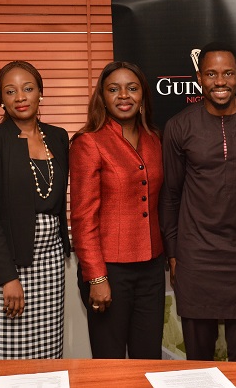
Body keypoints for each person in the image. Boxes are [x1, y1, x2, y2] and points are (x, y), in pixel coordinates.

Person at [159, 42, 236, 361]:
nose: (220, 81)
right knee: (198, 361)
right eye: (211, 74)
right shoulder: (179, 126)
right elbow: (170, 195)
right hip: (197, 254)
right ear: (199, 78)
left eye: (227, 73)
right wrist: (173, 253)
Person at [0, 61, 71, 359]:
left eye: (28, 88)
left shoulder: (58, 136)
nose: (20, 97)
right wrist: (7, 277)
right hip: (10, 263)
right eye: (10, 91)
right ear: (0, 99)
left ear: (41, 92)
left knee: (49, 353)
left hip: (50, 261)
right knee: (8, 358)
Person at [70, 61, 165, 359]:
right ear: (102, 97)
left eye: (132, 88)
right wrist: (96, 278)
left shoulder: (154, 139)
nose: (124, 96)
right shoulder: (89, 142)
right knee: (109, 363)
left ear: (143, 95)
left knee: (149, 358)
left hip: (152, 268)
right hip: (109, 270)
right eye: (114, 89)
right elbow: (83, 217)